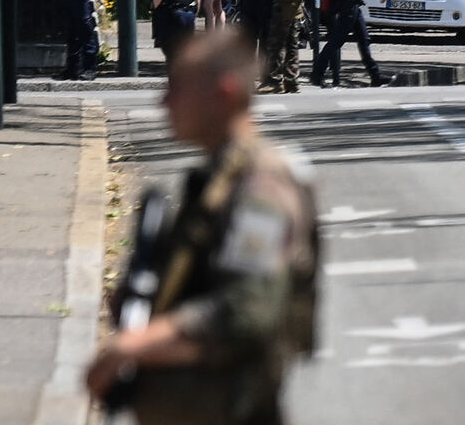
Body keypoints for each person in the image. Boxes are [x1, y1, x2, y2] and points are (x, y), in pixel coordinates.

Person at [85, 31, 319, 425]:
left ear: (223, 94)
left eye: (177, 88)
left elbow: (247, 310)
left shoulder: (261, 189)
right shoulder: (218, 178)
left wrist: (132, 347)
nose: (164, 101)